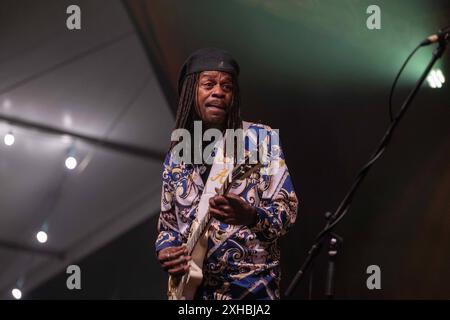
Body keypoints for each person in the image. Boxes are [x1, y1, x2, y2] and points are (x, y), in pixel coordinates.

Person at [155, 48, 298, 300]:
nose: (219, 92)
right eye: (208, 84)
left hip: (251, 289)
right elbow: (167, 227)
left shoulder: (259, 139)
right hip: (195, 292)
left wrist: (250, 215)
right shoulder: (177, 156)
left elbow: (287, 210)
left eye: (227, 86)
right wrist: (166, 250)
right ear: (191, 91)